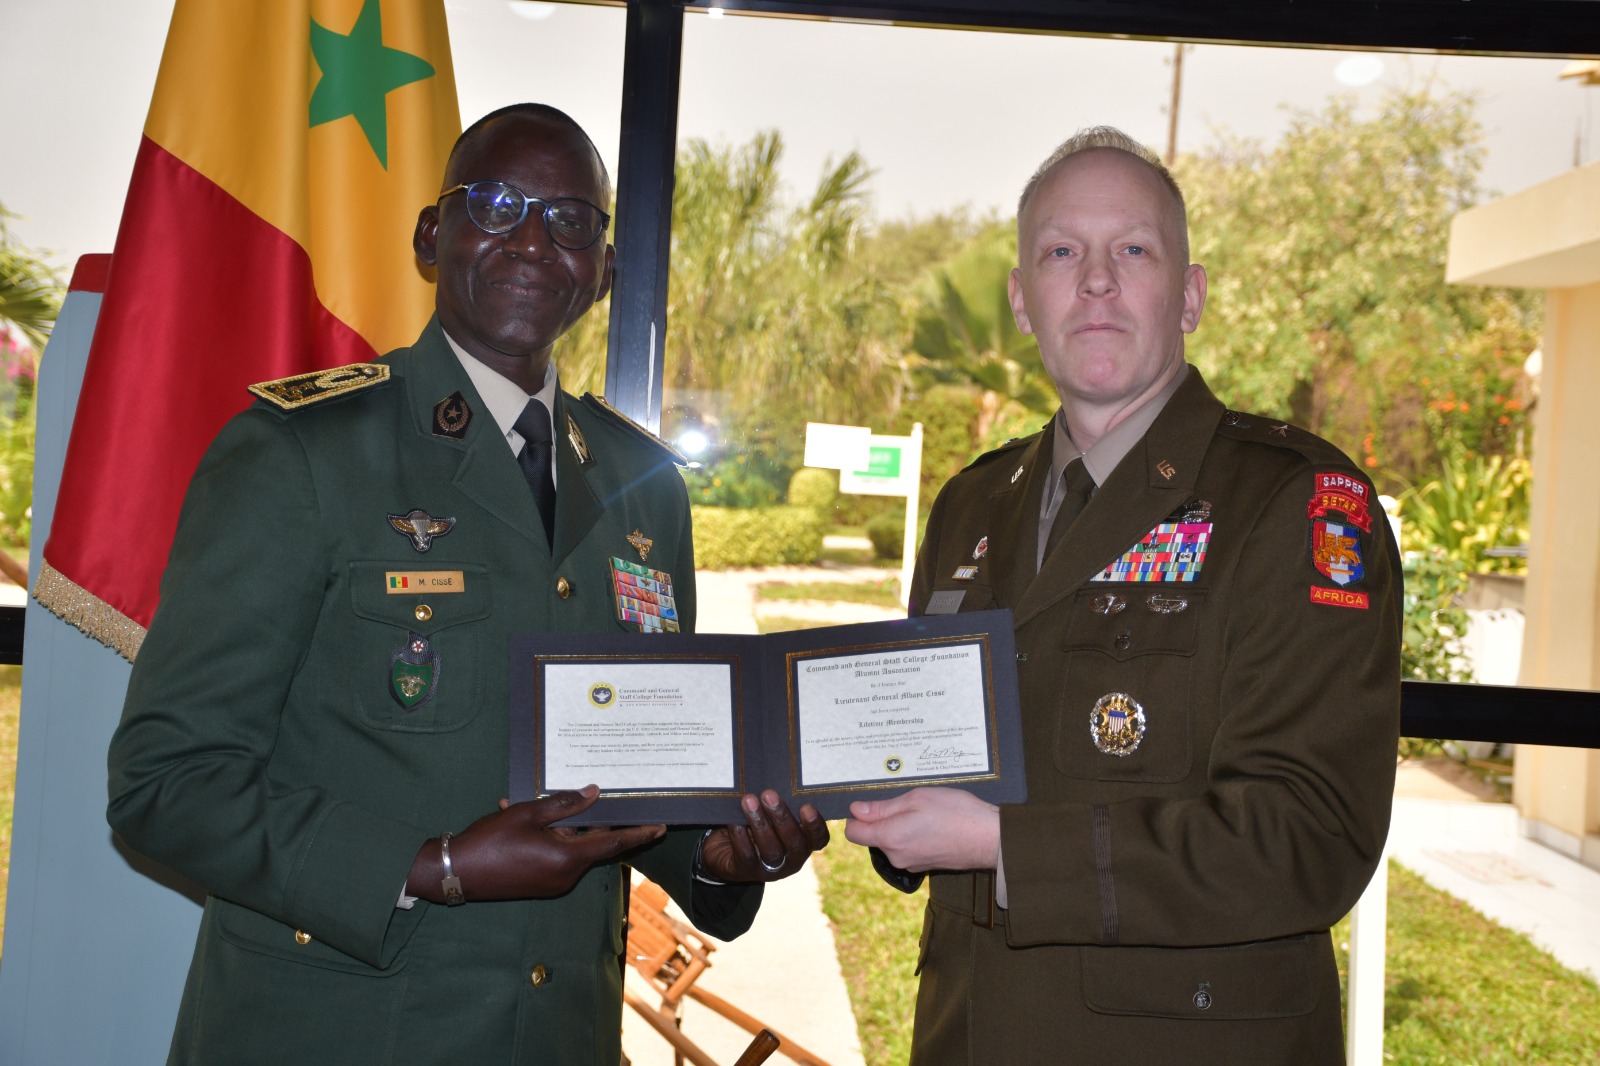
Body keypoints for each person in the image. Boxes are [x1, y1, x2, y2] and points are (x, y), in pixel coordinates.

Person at [107, 103, 828, 1065]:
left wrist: (717, 858)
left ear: (605, 269)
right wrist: (434, 866)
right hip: (334, 1033)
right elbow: (167, 785)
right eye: (494, 204)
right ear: (429, 235)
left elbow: (631, 778)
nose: (534, 240)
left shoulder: (643, 489)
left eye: (573, 220)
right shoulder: (302, 454)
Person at [845, 127, 1400, 1064]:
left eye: (1132, 250)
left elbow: (1308, 835)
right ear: (1023, 300)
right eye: (1062, 252)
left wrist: (1004, 847)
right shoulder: (971, 504)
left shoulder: (1294, 502)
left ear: (1190, 295)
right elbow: (933, 761)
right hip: (970, 1031)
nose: (1095, 280)